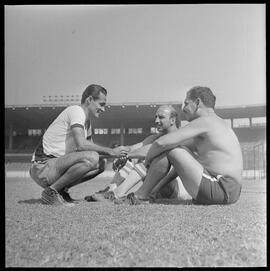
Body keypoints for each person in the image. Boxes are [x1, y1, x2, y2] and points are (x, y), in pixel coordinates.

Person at [124, 86, 243, 205]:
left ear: (197, 103)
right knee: (175, 148)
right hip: (230, 190)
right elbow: (172, 150)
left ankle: (140, 196)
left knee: (171, 148)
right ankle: (148, 193)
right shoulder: (216, 124)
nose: (183, 108)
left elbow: (161, 143)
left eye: (186, 103)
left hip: (221, 188)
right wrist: (129, 154)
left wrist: (147, 161)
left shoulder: (205, 121)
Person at [29, 84, 129, 206]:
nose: (103, 109)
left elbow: (93, 153)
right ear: (90, 100)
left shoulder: (87, 123)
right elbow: (82, 145)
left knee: (100, 164)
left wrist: (114, 156)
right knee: (91, 157)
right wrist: (111, 151)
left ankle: (60, 191)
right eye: (101, 104)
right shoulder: (76, 111)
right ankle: (51, 192)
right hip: (42, 167)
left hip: (54, 166)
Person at [86, 105, 191, 203]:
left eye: (161, 117)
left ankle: (117, 193)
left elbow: (149, 152)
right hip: (155, 185)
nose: (156, 121)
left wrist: (127, 155)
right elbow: (132, 149)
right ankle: (110, 190)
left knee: (146, 157)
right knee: (133, 157)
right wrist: (116, 154)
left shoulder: (179, 137)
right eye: (156, 117)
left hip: (174, 189)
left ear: (172, 120)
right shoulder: (155, 138)